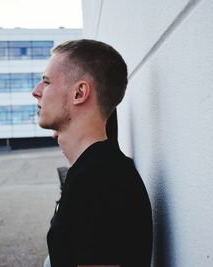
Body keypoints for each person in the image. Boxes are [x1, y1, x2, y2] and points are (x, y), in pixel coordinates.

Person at [32, 39, 153, 267]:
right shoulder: (92, 172)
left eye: (46, 82)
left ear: (79, 93)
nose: (36, 91)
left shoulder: (100, 182)